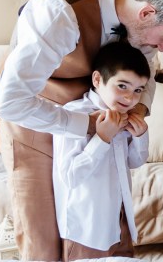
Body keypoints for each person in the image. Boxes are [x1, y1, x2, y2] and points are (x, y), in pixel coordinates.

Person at [0, 0, 163, 261]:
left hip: (99, 123)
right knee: (42, 239)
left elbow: (147, 71)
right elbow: (11, 101)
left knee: (104, 223)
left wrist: (140, 108)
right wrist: (85, 125)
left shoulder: (140, 29)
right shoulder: (57, 13)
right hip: (34, 120)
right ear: (147, 13)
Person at [54, 41, 150, 261]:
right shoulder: (73, 115)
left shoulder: (125, 115)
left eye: (138, 90)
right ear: (98, 79)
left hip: (119, 221)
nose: (130, 98)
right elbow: (70, 176)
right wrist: (103, 137)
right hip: (86, 230)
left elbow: (134, 161)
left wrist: (140, 136)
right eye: (122, 86)